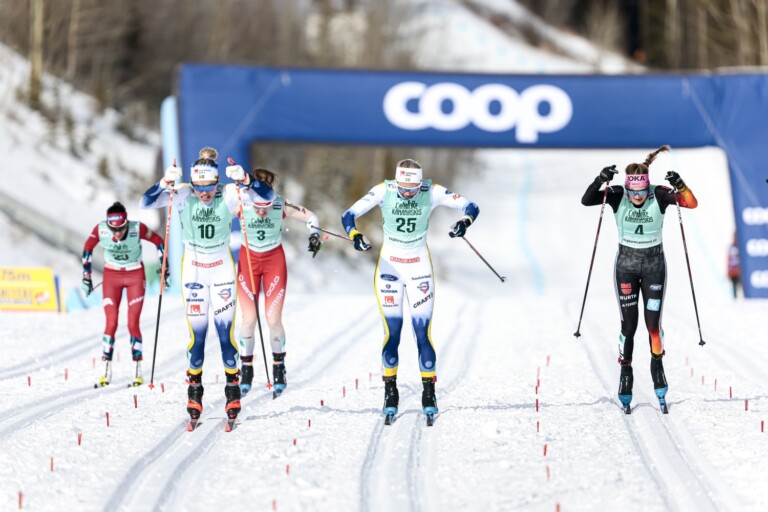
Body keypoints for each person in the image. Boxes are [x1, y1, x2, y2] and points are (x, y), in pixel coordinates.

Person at [140, 147, 274, 424]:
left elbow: (267, 197)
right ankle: (195, 391)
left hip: (221, 270)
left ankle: (232, 389)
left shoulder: (229, 193)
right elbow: (145, 202)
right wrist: (164, 182)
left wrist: (247, 180)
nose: (204, 193)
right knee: (198, 338)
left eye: (209, 186)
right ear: (192, 183)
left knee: (225, 336)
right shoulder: (183, 194)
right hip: (194, 272)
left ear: (217, 181)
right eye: (199, 187)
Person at [341, 158, 479, 423]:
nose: (406, 194)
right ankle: (390, 393)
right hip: (389, 269)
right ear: (396, 183)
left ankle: (429, 394)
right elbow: (348, 215)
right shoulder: (384, 190)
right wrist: (355, 236)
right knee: (392, 333)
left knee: (422, 333)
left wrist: (464, 222)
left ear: (420, 184)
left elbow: (471, 206)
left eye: (412, 190)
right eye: (403, 189)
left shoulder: (432, 191)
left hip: (419, 268)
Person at [581, 145, 698, 413]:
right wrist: (600, 180)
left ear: (647, 186)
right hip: (626, 267)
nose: (636, 196)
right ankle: (626, 373)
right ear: (627, 187)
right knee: (629, 326)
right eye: (633, 191)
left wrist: (680, 185)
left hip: (654, 266)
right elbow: (587, 200)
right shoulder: (617, 195)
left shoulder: (659, 194)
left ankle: (657, 366)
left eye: (641, 192)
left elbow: (691, 203)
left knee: (653, 326)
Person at [230, 166, 322, 397]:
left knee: (273, 319)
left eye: (266, 207)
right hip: (248, 261)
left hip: (273, 262)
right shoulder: (240, 201)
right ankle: (246, 369)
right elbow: (215, 214)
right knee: (248, 320)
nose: (262, 212)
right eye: (257, 208)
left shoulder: (280, 203)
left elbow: (311, 216)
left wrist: (314, 234)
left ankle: (279, 367)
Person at [82, 202, 166, 387]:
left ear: (126, 223)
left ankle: (137, 370)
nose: (117, 233)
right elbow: (87, 248)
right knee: (111, 323)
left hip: (135, 275)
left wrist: (164, 267)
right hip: (111, 276)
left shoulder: (137, 228)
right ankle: (106, 371)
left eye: (120, 229)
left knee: (133, 322)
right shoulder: (101, 230)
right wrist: (86, 277)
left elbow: (159, 242)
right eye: (113, 229)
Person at [727, 233, 741, 299]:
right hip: (733, 272)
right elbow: (728, 260)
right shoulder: (731, 247)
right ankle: (735, 300)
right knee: (734, 288)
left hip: (740, 272)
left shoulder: (741, 246)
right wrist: (729, 271)